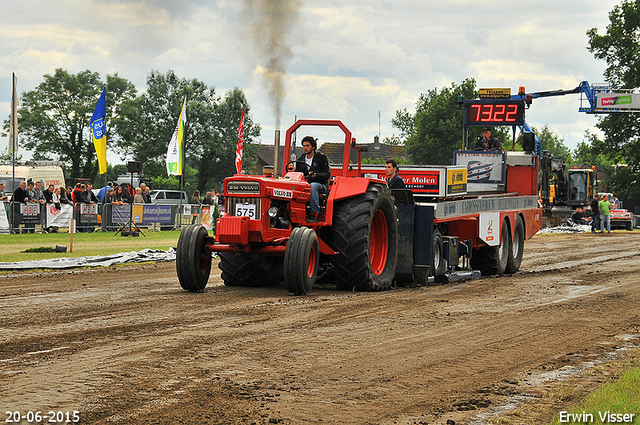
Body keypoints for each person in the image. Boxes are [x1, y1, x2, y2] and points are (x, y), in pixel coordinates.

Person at [287, 135, 331, 220]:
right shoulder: (301, 159)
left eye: (307, 146)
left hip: (320, 185)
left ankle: (314, 214)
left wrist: (316, 175)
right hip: (305, 184)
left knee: (313, 186)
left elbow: (326, 174)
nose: (305, 148)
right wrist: (292, 171)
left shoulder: (321, 158)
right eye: (303, 146)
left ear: (313, 147)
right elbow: (299, 174)